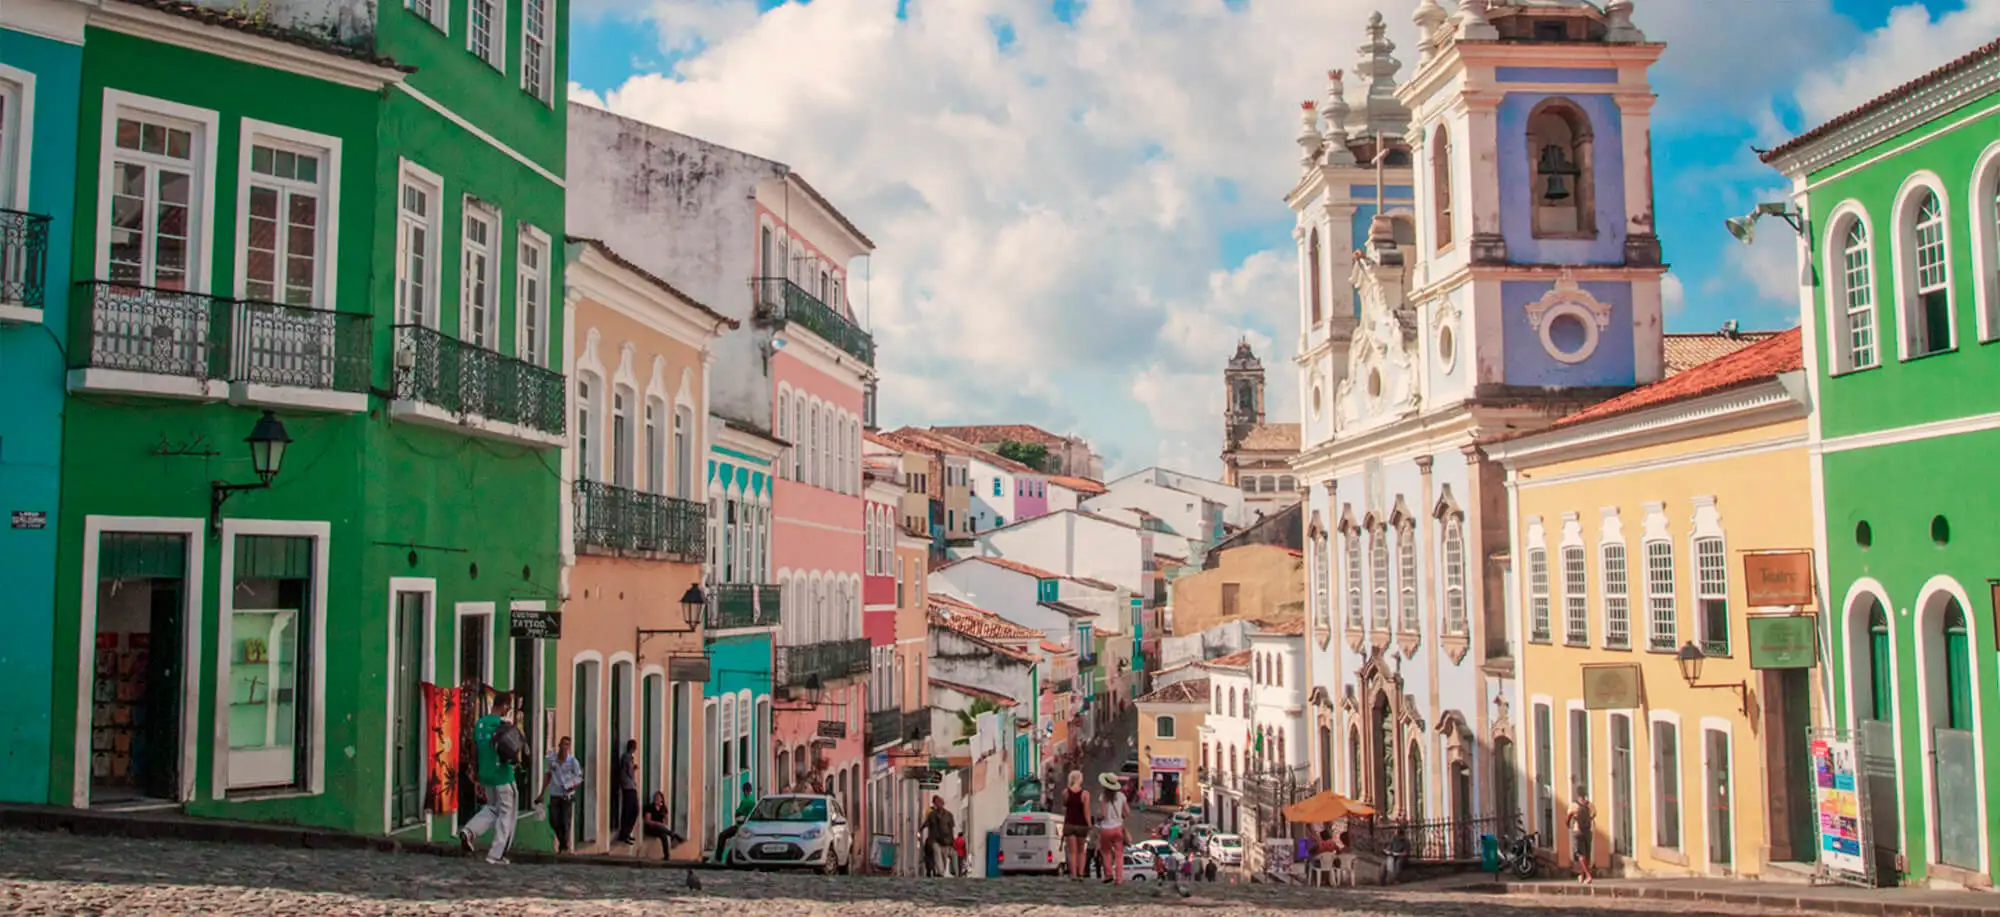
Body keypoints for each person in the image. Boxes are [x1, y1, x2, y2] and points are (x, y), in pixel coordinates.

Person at [459, 693, 523, 864]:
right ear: (505, 706)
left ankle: (469, 831)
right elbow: (513, 749)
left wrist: (476, 771)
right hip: (503, 776)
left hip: (486, 775)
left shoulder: (480, 724)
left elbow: (474, 749)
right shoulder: (503, 725)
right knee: (506, 814)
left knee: (492, 808)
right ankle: (497, 854)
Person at [538, 736, 583, 854]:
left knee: (565, 821)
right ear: (559, 745)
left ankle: (563, 846)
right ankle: (563, 843)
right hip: (555, 793)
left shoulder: (573, 762)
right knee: (554, 820)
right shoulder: (552, 760)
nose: (565, 747)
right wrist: (542, 793)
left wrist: (573, 785)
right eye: (563, 744)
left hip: (567, 795)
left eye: (567, 745)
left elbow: (579, 777)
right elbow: (548, 776)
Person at [1096, 772, 1128, 884]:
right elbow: (1127, 812)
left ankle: (1108, 874)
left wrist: (1098, 818)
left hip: (1106, 828)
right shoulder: (1121, 796)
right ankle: (1119, 878)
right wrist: (1120, 816)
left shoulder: (1103, 797)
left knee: (1106, 852)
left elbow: (1103, 815)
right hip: (1118, 827)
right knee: (1119, 853)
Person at [713, 781, 756, 862]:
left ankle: (718, 858)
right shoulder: (753, 800)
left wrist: (737, 814)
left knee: (722, 836)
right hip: (746, 826)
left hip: (740, 826)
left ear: (744, 791)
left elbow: (738, 813)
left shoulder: (745, 801)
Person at [1060, 770, 1092, 880]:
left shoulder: (1065, 792)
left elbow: (1065, 806)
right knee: (1081, 851)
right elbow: (1086, 811)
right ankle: (1081, 873)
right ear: (1080, 779)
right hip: (1081, 824)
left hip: (1069, 824)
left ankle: (1073, 874)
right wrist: (1089, 824)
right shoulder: (1085, 794)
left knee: (1072, 852)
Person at [612, 738, 640, 848]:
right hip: (629, 787)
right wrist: (633, 770)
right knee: (632, 810)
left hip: (627, 786)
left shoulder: (625, 757)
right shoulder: (628, 757)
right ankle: (625, 833)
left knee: (629, 810)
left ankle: (626, 833)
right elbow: (629, 770)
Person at [642, 791, 684, 860]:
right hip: (650, 828)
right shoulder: (649, 807)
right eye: (656, 798)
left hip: (660, 829)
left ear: (662, 799)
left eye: (659, 798)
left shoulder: (663, 809)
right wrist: (657, 823)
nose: (657, 799)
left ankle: (666, 856)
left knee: (663, 836)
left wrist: (664, 818)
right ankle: (674, 836)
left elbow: (665, 822)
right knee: (659, 826)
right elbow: (647, 821)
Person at [921, 796, 955, 878]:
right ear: (935, 804)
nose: (938, 804)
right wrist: (920, 829)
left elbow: (951, 828)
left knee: (943, 858)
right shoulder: (932, 815)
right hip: (935, 839)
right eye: (936, 803)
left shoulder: (949, 815)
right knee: (937, 853)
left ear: (943, 804)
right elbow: (926, 823)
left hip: (946, 840)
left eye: (940, 802)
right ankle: (940, 872)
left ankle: (941, 871)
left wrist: (952, 842)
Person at [1567, 785, 1596, 884]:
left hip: (1577, 830)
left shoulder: (1573, 805)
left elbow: (1568, 816)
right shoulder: (1590, 805)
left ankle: (1588, 875)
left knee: (1580, 855)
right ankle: (1582, 875)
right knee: (1587, 854)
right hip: (1588, 831)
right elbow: (1594, 815)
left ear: (1577, 794)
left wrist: (1568, 824)